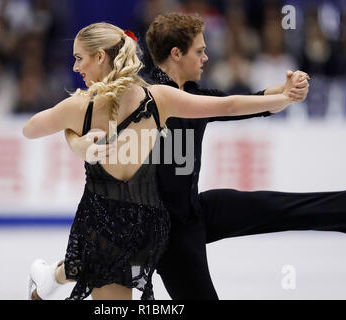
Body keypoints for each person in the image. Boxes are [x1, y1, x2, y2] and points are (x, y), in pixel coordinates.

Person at [65, 13, 346, 300]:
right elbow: (74, 117)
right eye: (200, 51)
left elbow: (245, 102)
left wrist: (285, 91)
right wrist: (79, 145)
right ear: (176, 54)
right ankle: (52, 278)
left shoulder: (195, 95)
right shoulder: (137, 95)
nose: (206, 57)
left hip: (193, 210)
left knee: (277, 206)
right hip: (161, 232)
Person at [22, 21, 297, 300]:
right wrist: (281, 98)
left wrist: (75, 139)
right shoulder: (158, 99)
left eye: (79, 58)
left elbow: (31, 129)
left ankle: (51, 278)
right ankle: (50, 279)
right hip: (139, 223)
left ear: (100, 57)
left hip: (121, 226)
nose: (75, 67)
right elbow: (229, 106)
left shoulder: (80, 107)